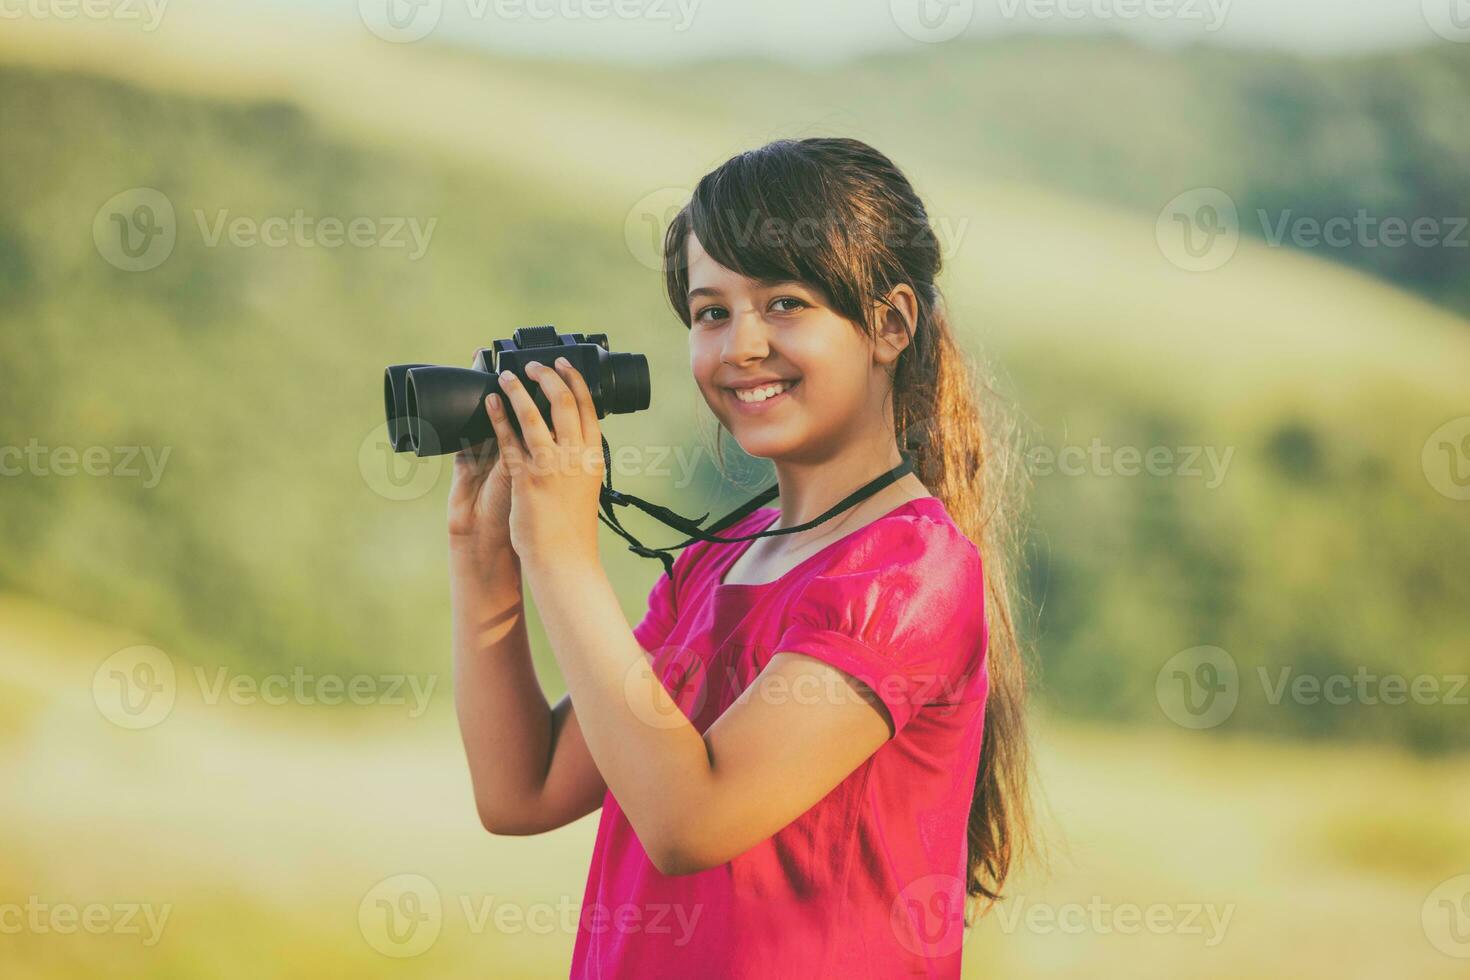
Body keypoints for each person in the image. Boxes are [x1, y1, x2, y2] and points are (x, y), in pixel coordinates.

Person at [449, 136, 1033, 978]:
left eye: (785, 303)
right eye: (711, 311)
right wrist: (485, 564)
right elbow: (523, 790)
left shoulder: (909, 573)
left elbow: (691, 820)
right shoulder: (711, 568)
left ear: (891, 324)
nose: (740, 346)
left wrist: (564, 552)